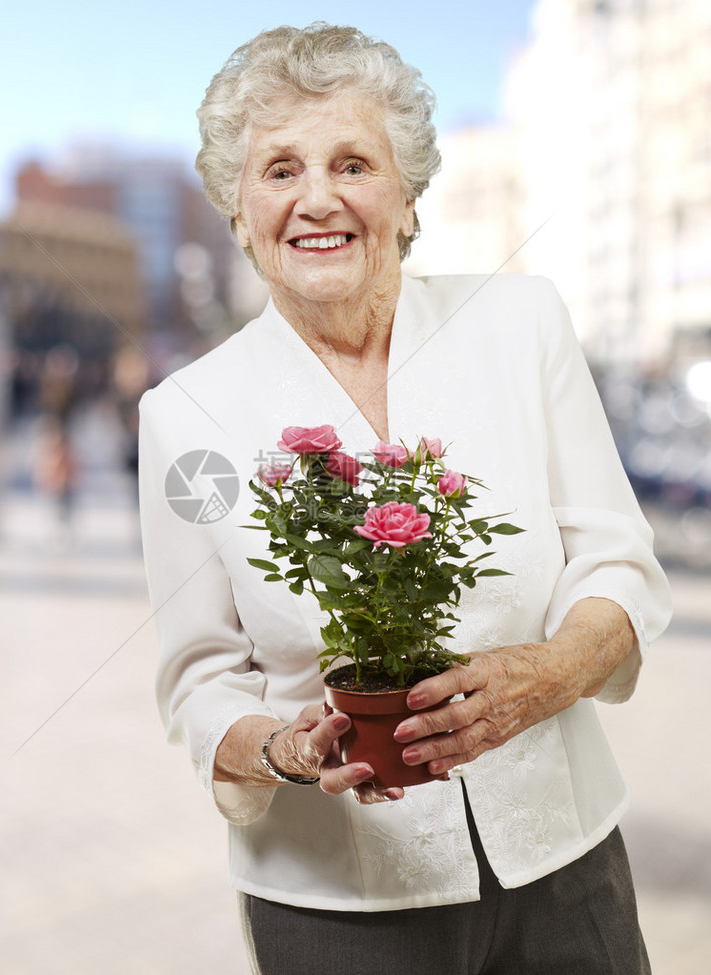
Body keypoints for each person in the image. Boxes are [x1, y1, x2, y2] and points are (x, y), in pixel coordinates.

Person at [138, 23, 671, 974]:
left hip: (565, 860)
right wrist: (278, 749)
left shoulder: (521, 322)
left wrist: (546, 674)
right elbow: (198, 677)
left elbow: (616, 560)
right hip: (336, 904)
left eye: (353, 162)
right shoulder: (185, 416)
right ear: (236, 209)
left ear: (408, 191)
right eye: (279, 170)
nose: (318, 199)